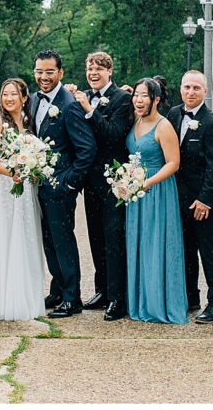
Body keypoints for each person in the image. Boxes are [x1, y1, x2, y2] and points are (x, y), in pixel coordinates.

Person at [29, 49, 97, 318]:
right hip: (40, 185)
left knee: (63, 241)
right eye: (39, 71)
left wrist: (69, 184)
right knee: (49, 241)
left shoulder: (69, 105)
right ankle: (58, 289)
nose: (43, 77)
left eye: (49, 72)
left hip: (60, 188)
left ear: (60, 73)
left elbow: (86, 150)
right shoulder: (34, 99)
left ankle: (72, 298)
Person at [71, 51, 133, 320]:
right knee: (95, 237)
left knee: (113, 237)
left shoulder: (123, 98)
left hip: (114, 180)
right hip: (90, 179)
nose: (93, 72)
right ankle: (102, 290)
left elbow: (111, 134)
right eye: (89, 68)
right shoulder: (84, 94)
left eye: (98, 68)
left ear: (110, 71)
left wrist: (89, 109)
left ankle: (118, 298)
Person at [167, 70, 213, 323]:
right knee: (186, 250)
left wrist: (204, 200)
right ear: (180, 89)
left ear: (205, 92)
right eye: (186, 87)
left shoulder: (211, 122)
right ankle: (191, 297)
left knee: (209, 250)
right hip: (179, 197)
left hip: (205, 200)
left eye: (196, 88)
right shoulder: (173, 114)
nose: (190, 92)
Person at [124, 78, 187, 324]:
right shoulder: (136, 120)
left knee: (156, 242)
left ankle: (160, 302)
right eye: (136, 95)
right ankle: (141, 300)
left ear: (156, 99)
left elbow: (173, 163)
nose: (138, 100)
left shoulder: (163, 126)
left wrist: (147, 183)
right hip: (135, 190)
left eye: (144, 96)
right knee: (139, 243)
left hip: (157, 191)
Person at [0, 78, 46, 320]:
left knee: (25, 237)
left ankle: (26, 297)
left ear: (24, 97)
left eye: (13, 94)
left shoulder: (29, 123)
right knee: (7, 236)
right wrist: (13, 173)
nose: (8, 98)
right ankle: (4, 300)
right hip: (3, 187)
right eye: (4, 94)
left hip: (25, 188)